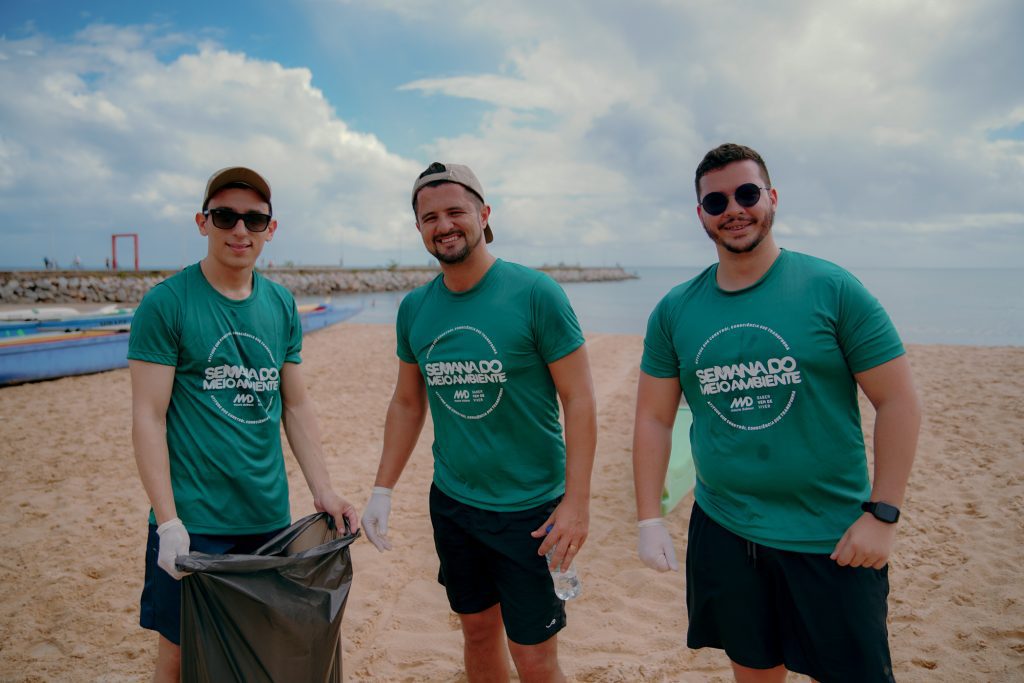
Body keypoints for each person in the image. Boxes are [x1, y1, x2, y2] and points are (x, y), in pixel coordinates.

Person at [632, 143, 921, 683]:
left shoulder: (831, 288)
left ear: (772, 197)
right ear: (701, 215)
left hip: (832, 535)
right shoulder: (675, 309)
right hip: (727, 529)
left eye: (747, 194)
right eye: (716, 202)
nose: (733, 210)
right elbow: (653, 417)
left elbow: (898, 399)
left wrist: (883, 514)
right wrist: (650, 518)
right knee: (755, 671)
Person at [361, 162, 597, 682]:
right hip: (455, 504)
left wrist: (576, 501)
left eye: (454, 211)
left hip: (532, 510)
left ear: (484, 214)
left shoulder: (536, 294)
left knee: (534, 655)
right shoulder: (416, 308)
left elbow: (578, 399)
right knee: (476, 632)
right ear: (419, 228)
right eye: (429, 217)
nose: (443, 225)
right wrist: (383, 488)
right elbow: (406, 403)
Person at [128, 166, 360, 683]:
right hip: (194, 523)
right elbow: (148, 416)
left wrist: (324, 491)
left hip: (267, 522)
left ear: (270, 229)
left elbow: (295, 407)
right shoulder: (167, 304)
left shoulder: (280, 305)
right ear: (202, 222)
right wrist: (168, 522)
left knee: (259, 651)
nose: (240, 230)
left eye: (254, 219)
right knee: (180, 656)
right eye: (226, 216)